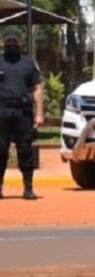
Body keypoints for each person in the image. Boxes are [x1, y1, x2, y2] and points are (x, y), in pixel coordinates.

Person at [0, 29, 43, 200]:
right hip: (2, 111)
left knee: (25, 149)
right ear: (3, 42)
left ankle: (28, 188)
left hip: (23, 112)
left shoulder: (28, 63)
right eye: (8, 42)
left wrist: (39, 114)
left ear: (19, 42)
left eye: (14, 41)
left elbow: (38, 88)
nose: (11, 44)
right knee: (0, 150)